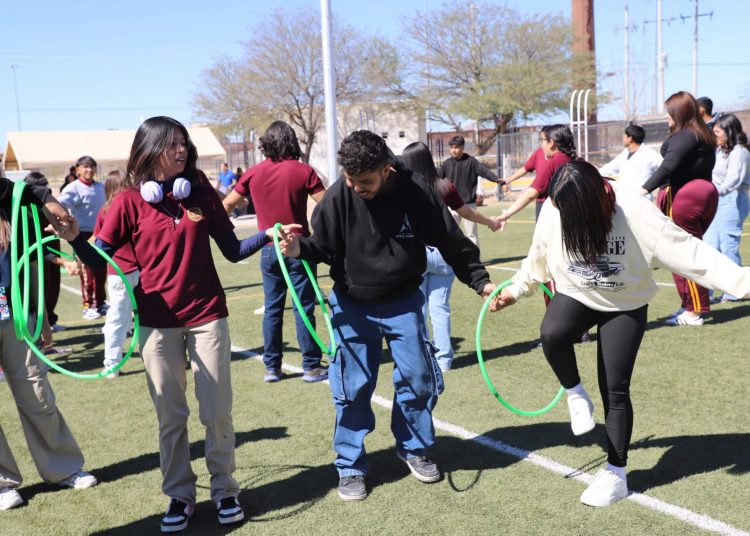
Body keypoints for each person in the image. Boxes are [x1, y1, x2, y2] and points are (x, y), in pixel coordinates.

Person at [61, 116, 299, 532]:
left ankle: (224, 489)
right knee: (171, 417)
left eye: (183, 142)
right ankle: (179, 495)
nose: (181, 149)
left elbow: (232, 250)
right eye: (172, 143)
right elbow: (98, 260)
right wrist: (74, 238)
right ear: (150, 149)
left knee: (217, 411)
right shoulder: (128, 202)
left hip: (207, 315)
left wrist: (268, 234)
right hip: (157, 323)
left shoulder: (200, 192)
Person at [491, 161, 750, 507]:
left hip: (625, 303)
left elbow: (693, 254)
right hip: (578, 292)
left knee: (614, 386)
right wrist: (514, 290)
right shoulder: (556, 207)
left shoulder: (635, 212)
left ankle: (616, 474)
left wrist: (742, 282)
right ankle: (575, 395)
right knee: (552, 333)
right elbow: (537, 255)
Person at [279, 130, 496, 502]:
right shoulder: (339, 195)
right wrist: (300, 248)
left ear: (387, 169)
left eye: (365, 181)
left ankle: (413, 447)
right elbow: (323, 247)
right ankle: (350, 465)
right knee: (351, 389)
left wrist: (481, 282)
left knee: (419, 379)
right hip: (352, 304)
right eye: (350, 179)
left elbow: (451, 241)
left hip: (404, 302)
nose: (356, 187)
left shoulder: (418, 192)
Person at [0, 168, 98, 512]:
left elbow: (30, 260)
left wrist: (42, 317)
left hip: (15, 315)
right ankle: (1, 483)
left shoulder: (11, 200)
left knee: (37, 394)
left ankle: (63, 468)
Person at [223, 121, 328, 383]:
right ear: (291, 141)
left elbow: (226, 205)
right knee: (303, 308)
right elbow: (328, 205)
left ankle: (272, 367)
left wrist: (226, 231)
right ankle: (311, 366)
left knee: (272, 309)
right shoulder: (303, 171)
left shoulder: (253, 173)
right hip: (298, 247)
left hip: (268, 249)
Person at [401, 141, 501, 371]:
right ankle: (444, 359)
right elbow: (466, 212)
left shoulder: (406, 190)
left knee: (418, 308)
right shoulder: (444, 186)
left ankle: (422, 357)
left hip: (417, 253)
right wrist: (490, 221)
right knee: (440, 308)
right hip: (445, 251)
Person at [641, 91, 718, 326]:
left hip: (685, 195)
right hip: (700, 192)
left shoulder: (686, 135)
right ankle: (689, 305)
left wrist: (642, 190)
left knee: (684, 253)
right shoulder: (702, 134)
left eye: (669, 112)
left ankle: (694, 310)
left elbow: (668, 167)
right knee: (680, 253)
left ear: (679, 112)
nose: (666, 116)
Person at [23, 172, 78, 354]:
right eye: (43, 186)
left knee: (44, 299)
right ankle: (40, 346)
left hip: (39, 261)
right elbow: (35, 248)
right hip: (30, 265)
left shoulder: (39, 212)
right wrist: (64, 262)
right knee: (33, 305)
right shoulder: (25, 215)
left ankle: (44, 343)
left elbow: (40, 248)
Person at [93, 170, 139, 379]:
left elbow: (97, 239)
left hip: (121, 272)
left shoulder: (106, 210)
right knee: (143, 318)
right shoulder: (134, 205)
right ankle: (155, 358)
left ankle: (112, 365)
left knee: (117, 319)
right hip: (136, 270)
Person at [703, 113, 750, 303]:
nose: (714, 136)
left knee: (728, 246)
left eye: (717, 132)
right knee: (709, 246)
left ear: (729, 132)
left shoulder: (740, 152)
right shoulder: (720, 151)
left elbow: (733, 180)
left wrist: (711, 192)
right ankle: (707, 293)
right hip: (717, 198)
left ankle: (734, 292)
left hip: (733, 199)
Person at [57, 155, 107, 320]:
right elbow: (60, 205)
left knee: (101, 270)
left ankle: (100, 303)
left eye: (92, 166)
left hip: (100, 233)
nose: (89, 170)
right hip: (82, 234)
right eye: (85, 166)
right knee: (86, 272)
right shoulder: (73, 188)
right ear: (77, 169)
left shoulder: (101, 187)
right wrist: (67, 222)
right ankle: (88, 306)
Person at [496, 125, 577, 224]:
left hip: (553, 214)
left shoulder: (551, 164)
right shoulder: (582, 162)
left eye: (542, 141)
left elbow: (530, 194)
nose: (541, 145)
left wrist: (505, 215)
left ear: (551, 143)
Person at [437, 135, 500, 245]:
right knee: (449, 234)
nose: (453, 150)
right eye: (451, 147)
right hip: (452, 206)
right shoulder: (447, 164)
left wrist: (498, 180)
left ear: (462, 147)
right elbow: (436, 178)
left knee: (472, 235)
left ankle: (475, 256)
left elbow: (485, 172)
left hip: (469, 206)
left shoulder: (472, 162)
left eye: (456, 147)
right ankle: (451, 256)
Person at [598, 124, 663, 195]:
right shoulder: (624, 154)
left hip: (642, 198)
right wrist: (594, 172)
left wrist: (653, 186)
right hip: (624, 197)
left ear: (630, 138)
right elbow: (610, 168)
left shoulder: (649, 153)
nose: (623, 139)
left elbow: (664, 168)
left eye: (624, 136)